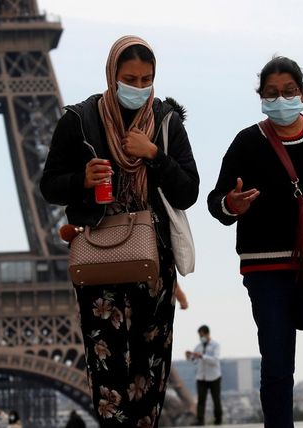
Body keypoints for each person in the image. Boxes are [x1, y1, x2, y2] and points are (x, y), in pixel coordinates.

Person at [40, 35, 199, 427]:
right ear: (112, 75)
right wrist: (83, 180)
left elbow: (188, 191)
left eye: (147, 79)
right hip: (100, 252)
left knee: (151, 360)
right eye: (131, 78)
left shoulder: (165, 121)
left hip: (152, 257)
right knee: (106, 363)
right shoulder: (79, 120)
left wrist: (154, 155)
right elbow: (49, 185)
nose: (139, 88)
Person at [207, 56, 303, 427]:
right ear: (260, 96)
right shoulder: (247, 143)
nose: (280, 100)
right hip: (267, 268)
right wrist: (233, 203)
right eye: (272, 93)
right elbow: (217, 201)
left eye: (288, 92)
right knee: (277, 364)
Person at [185, 325, 222, 425]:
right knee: (201, 400)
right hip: (201, 377)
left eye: (202, 335)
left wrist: (202, 356)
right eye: (199, 335)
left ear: (207, 334)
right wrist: (189, 357)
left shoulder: (216, 345)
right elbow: (195, 361)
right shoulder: (198, 346)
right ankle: (200, 420)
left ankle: (218, 420)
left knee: (216, 399)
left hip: (214, 377)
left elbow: (215, 360)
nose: (201, 337)